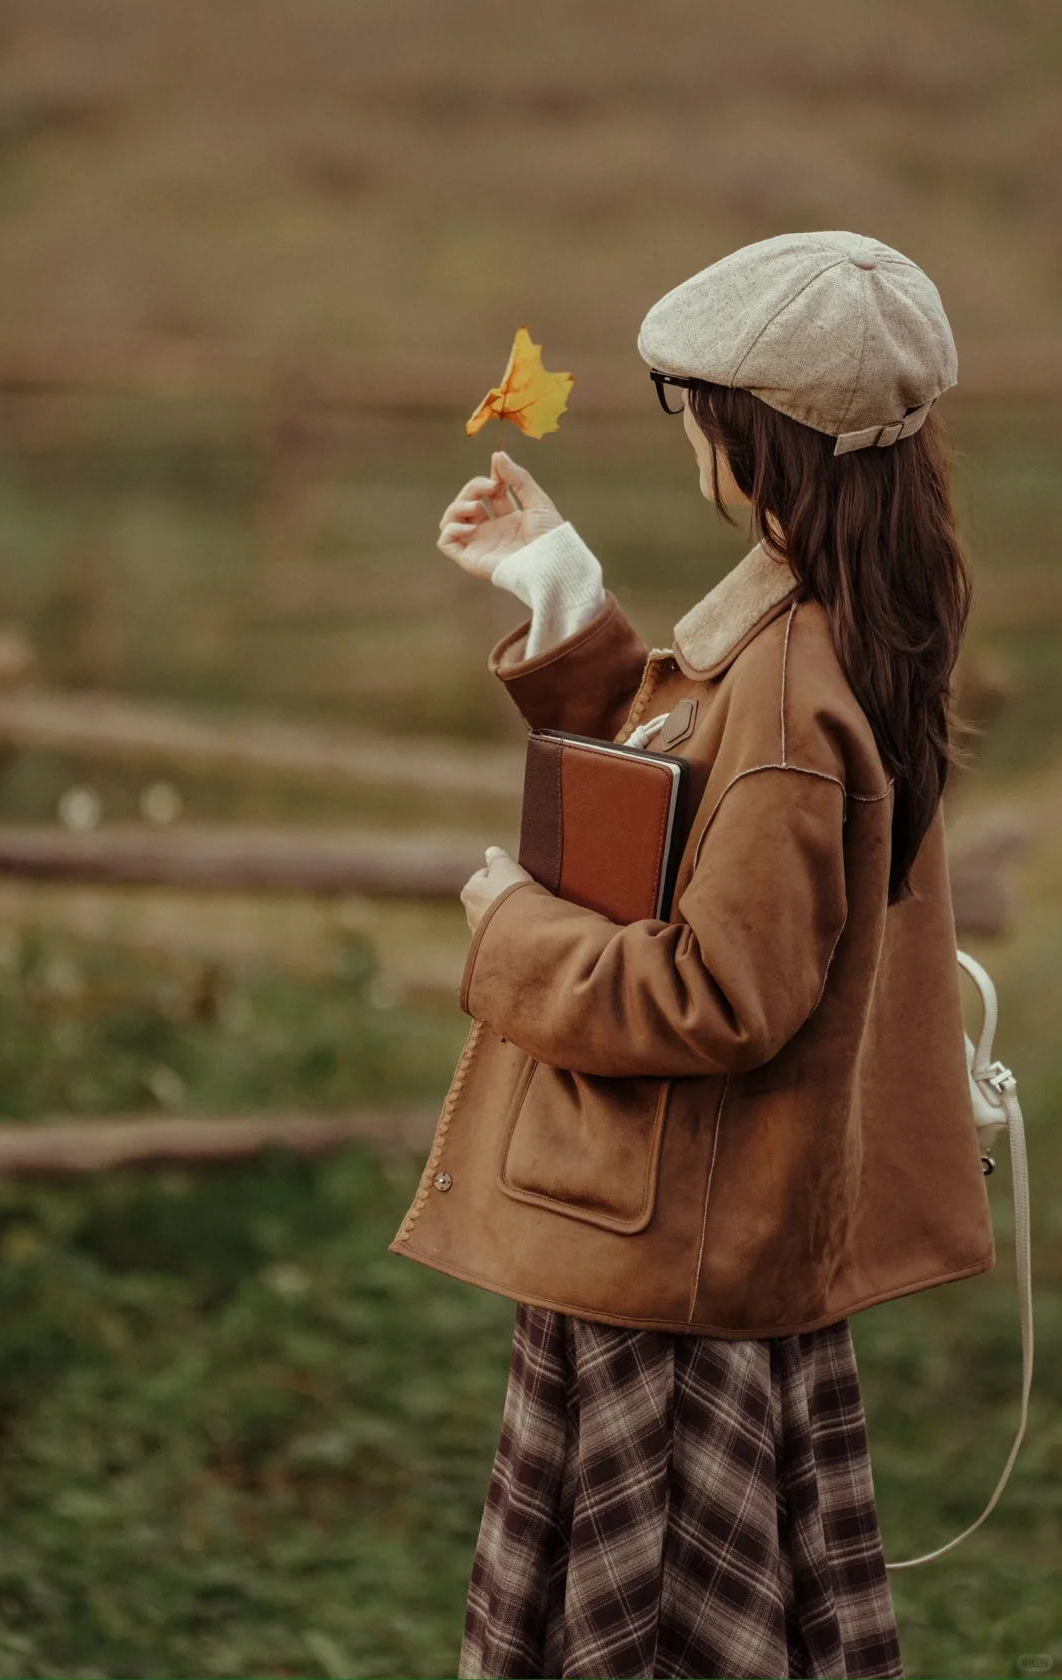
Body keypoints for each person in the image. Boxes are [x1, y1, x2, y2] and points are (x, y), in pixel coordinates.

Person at [390, 230, 996, 1680]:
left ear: (757, 439)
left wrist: (510, 929)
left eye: (695, 408)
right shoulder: (828, 628)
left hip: (672, 1267)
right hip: (699, 1239)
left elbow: (721, 998)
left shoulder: (787, 697)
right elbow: (690, 809)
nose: (687, 437)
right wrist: (556, 588)